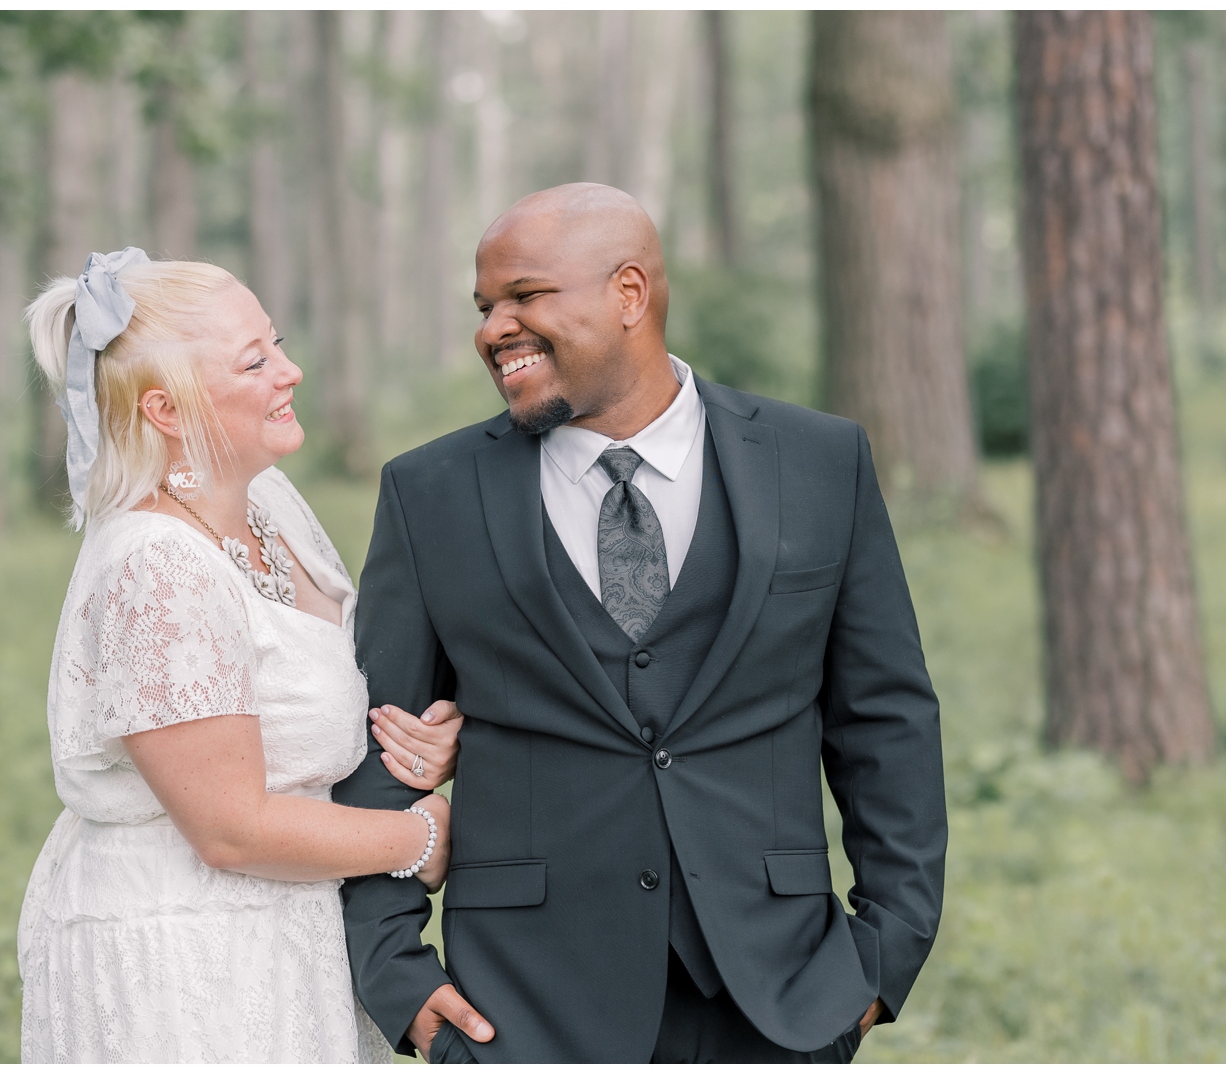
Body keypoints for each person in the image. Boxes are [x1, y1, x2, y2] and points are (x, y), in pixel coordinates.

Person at [333, 185, 947, 1063]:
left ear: (628, 293)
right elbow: (378, 745)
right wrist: (397, 972)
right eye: (484, 307)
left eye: (525, 296)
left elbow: (884, 720)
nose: (493, 328)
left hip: (780, 994)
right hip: (521, 1005)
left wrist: (881, 959)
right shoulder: (430, 492)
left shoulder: (820, 462)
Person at [16, 249, 464, 1063]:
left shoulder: (268, 507)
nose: (290, 371)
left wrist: (426, 741)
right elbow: (229, 829)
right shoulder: (157, 567)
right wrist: (425, 837)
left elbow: (321, 693)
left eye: (277, 343)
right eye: (254, 362)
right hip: (186, 954)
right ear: (166, 410)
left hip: (289, 930)